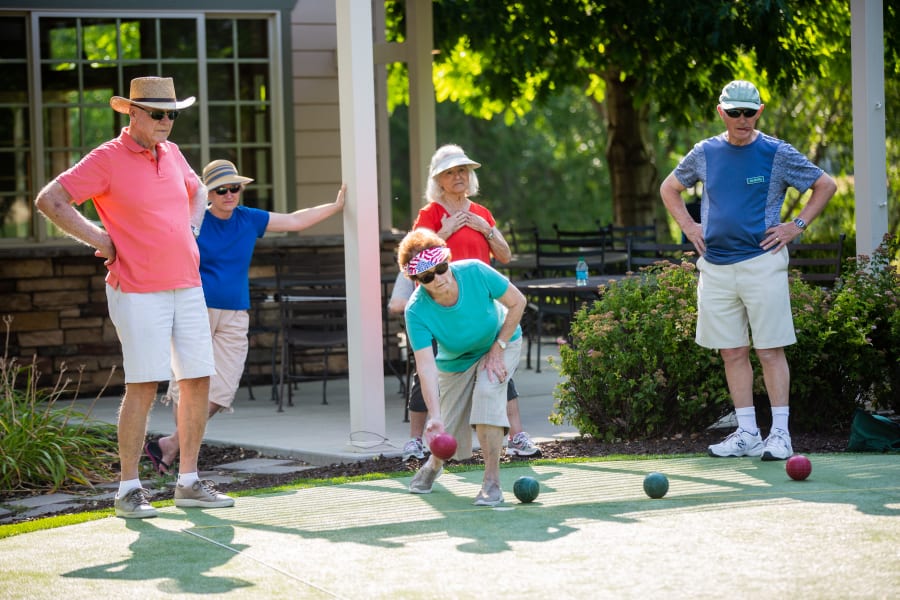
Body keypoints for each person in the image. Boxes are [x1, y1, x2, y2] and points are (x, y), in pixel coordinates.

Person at [34, 76, 233, 518]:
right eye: (159, 114)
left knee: (198, 380)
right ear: (134, 113)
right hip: (138, 287)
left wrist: (192, 229)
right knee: (144, 384)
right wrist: (99, 239)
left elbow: (197, 190)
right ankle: (127, 490)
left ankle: (189, 481)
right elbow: (51, 200)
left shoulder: (173, 152)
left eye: (173, 114)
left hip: (187, 284)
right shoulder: (106, 157)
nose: (167, 122)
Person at [659, 80, 836, 461]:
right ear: (721, 112)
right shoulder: (704, 152)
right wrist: (690, 227)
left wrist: (796, 226)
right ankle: (747, 433)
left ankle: (781, 435)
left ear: (759, 111)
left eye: (749, 112)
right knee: (732, 352)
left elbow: (825, 185)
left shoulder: (777, 152)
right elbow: (669, 188)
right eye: (734, 112)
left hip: (762, 263)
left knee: (770, 350)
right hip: (716, 267)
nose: (742, 119)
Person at [143, 160, 346, 473]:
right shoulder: (193, 218)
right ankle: (185, 465)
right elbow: (156, 239)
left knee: (223, 389)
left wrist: (335, 206)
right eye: (221, 189)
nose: (228, 194)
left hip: (236, 313)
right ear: (208, 193)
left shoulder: (249, 219)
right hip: (194, 309)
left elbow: (294, 220)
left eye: (234, 187)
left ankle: (170, 445)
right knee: (186, 384)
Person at [402, 143, 539, 460]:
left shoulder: (480, 212)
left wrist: (488, 230)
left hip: (481, 305)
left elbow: (504, 256)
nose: (458, 176)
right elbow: (417, 259)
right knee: (428, 369)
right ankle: (415, 439)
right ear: (438, 180)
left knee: (498, 368)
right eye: (449, 173)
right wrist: (443, 231)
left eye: (462, 170)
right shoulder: (430, 215)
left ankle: (517, 436)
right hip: (440, 306)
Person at [399, 229, 527, 505]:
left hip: (501, 342)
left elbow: (518, 302)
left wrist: (497, 349)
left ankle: (492, 482)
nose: (439, 278)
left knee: (487, 393)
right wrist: (433, 416)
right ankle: (434, 464)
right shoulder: (415, 310)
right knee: (448, 423)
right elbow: (426, 367)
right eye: (427, 276)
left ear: (448, 260)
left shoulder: (475, 272)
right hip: (455, 360)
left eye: (441, 268)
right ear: (417, 280)